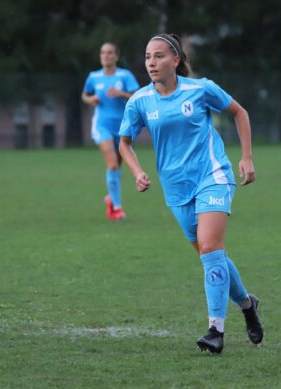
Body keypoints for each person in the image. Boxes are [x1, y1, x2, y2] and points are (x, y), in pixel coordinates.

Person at [119, 34, 263, 354]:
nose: (152, 63)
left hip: (212, 176)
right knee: (212, 256)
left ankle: (215, 330)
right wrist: (137, 172)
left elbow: (240, 112)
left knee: (211, 246)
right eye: (147, 57)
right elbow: (124, 142)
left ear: (175, 60)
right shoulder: (140, 100)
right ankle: (247, 304)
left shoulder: (199, 89)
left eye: (158, 56)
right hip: (176, 189)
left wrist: (247, 156)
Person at [82, 42, 140, 220]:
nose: (105, 56)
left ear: (116, 56)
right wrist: (90, 99)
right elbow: (85, 95)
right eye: (102, 52)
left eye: (109, 53)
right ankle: (116, 208)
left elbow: (137, 96)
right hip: (102, 126)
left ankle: (110, 198)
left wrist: (121, 94)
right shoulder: (94, 77)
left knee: (117, 167)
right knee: (112, 164)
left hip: (123, 127)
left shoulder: (125, 75)